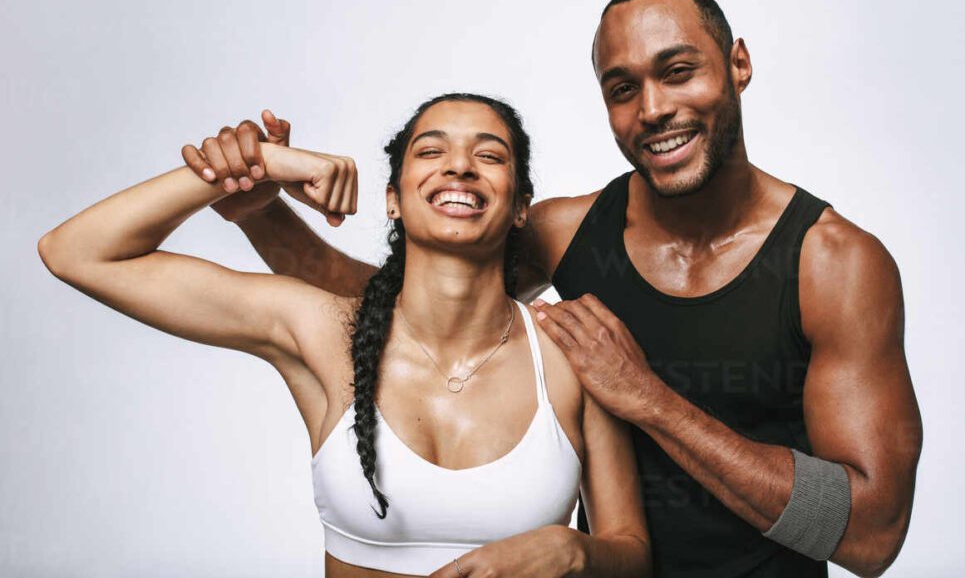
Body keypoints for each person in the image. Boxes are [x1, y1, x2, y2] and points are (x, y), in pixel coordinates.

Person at [182, 0, 923, 578]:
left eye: (678, 71)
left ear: (737, 64)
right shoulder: (571, 232)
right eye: (622, 87)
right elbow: (401, 308)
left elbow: (872, 533)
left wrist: (653, 403)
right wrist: (261, 216)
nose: (654, 109)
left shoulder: (832, 264)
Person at [37, 93, 651, 578]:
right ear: (393, 200)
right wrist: (262, 167)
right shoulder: (324, 331)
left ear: (520, 206)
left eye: (489, 155)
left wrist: (574, 552)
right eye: (431, 152)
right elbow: (77, 253)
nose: (459, 165)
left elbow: (632, 552)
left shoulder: (573, 348)